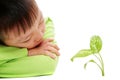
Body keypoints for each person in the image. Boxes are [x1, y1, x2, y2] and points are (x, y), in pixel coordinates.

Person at [0, 0, 60, 77]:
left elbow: (48, 63)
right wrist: (28, 52)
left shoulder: (46, 23)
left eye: (40, 22)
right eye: (27, 39)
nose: (40, 36)